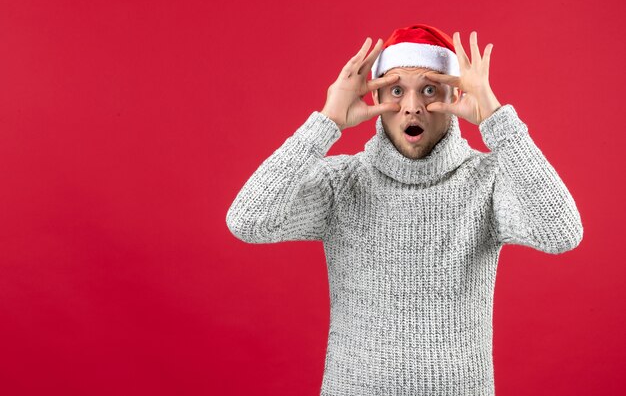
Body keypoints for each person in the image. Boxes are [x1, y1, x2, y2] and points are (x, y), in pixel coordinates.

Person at [225, 24, 583, 396]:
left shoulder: (487, 181)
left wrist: (496, 120)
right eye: (397, 91)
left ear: (455, 95)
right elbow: (249, 221)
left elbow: (561, 232)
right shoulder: (341, 182)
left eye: (429, 90)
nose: (412, 106)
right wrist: (325, 123)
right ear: (376, 97)